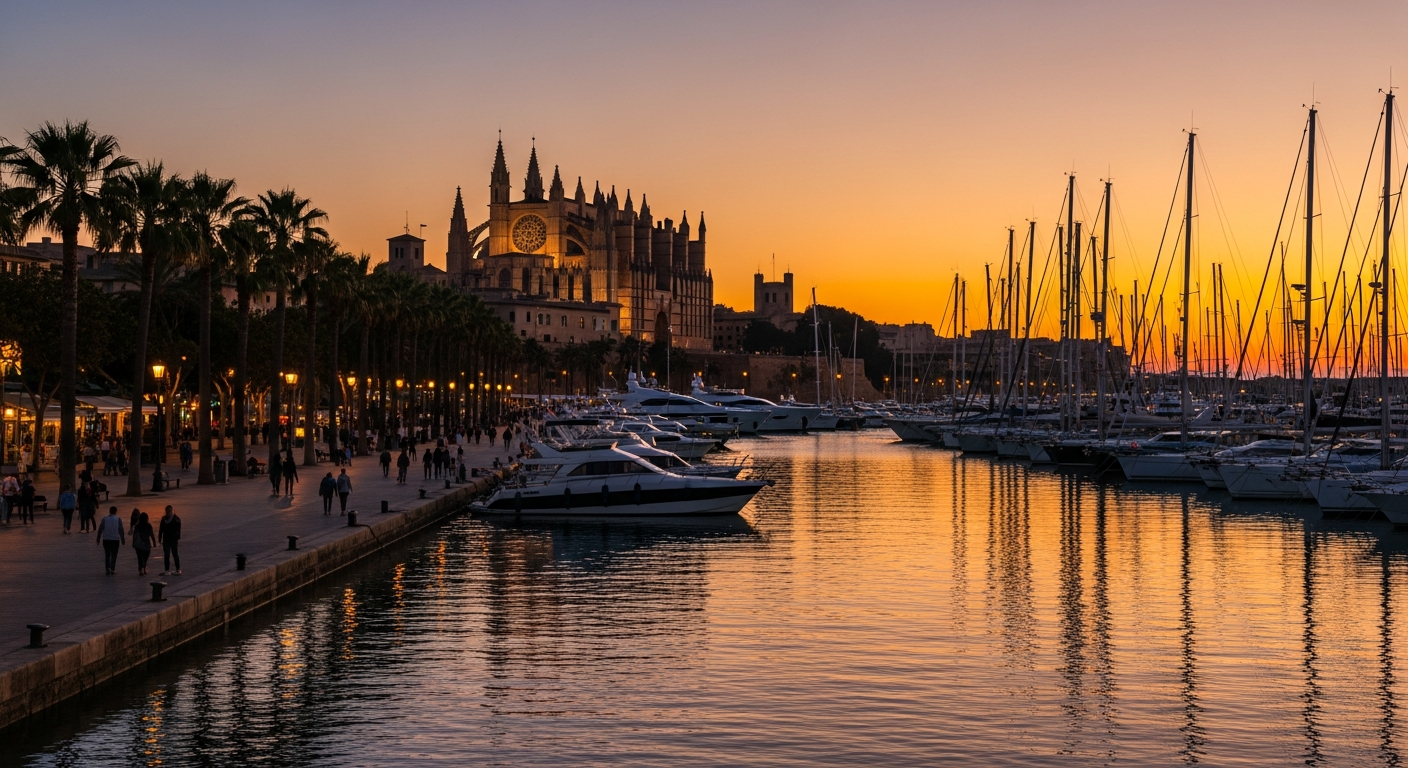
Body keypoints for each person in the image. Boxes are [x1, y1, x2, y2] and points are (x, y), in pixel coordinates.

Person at [96, 506, 125, 575]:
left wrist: (98, 538)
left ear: (109, 511)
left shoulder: (105, 519)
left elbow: (100, 529)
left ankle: (107, 568)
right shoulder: (118, 519)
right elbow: (121, 530)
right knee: (114, 555)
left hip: (106, 539)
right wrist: (122, 539)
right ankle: (112, 568)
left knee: (107, 554)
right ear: (116, 511)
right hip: (115, 539)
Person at [158, 505, 182, 575]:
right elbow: (161, 530)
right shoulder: (175, 519)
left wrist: (160, 538)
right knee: (170, 554)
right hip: (170, 539)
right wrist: (160, 538)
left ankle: (173, 569)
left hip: (170, 539)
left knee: (172, 554)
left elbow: (161, 530)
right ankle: (172, 569)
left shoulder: (173, 519)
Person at [132, 512, 155, 576]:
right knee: (145, 557)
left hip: (138, 545)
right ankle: (143, 568)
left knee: (140, 558)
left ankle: (141, 569)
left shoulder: (137, 526)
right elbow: (152, 535)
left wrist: (133, 543)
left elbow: (135, 535)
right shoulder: (148, 526)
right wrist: (154, 542)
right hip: (146, 545)